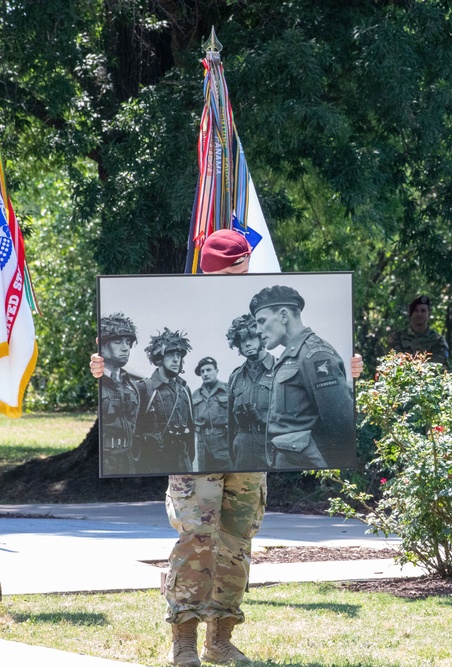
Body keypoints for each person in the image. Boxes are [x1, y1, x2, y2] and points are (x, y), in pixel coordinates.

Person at [90, 229, 364, 666]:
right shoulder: (196, 305)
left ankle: (220, 638)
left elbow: (307, 392)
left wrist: (348, 368)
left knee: (236, 543)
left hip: (248, 461)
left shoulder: (277, 352)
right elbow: (135, 392)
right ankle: (183, 639)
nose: (247, 271)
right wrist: (104, 372)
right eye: (241, 266)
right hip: (202, 462)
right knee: (196, 541)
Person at [251, 285, 357, 470]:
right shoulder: (290, 356)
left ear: (284, 316)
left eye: (261, 321)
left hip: (311, 474)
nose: (258, 330)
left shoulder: (315, 355)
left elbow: (341, 426)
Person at [135, 328, 195, 475]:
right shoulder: (145, 389)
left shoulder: (185, 390)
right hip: (155, 464)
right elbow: (134, 431)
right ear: (159, 359)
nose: (176, 359)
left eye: (179, 355)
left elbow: (191, 429)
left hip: (183, 463)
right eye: (170, 355)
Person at [225, 314, 274, 470]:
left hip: (272, 447)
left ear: (261, 338)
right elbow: (230, 422)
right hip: (243, 450)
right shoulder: (235, 377)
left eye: (251, 338)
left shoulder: (281, 370)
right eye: (241, 341)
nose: (247, 344)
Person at [98, 313, 141, 476]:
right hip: (105, 460)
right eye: (118, 342)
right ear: (101, 346)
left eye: (128, 342)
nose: (125, 348)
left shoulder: (130, 385)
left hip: (129, 459)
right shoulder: (97, 380)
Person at [192, 356, 231, 472]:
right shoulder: (196, 395)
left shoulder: (228, 390)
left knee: (227, 475)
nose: (205, 374)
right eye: (202, 371)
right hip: (202, 444)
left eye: (208, 370)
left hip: (223, 442)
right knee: (205, 476)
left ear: (216, 371)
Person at [388, 294, 449, 364]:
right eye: (416, 310)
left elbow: (438, 364)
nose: (419, 314)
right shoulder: (397, 338)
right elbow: (395, 362)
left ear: (429, 314)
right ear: (410, 313)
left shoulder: (438, 341)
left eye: (423, 311)